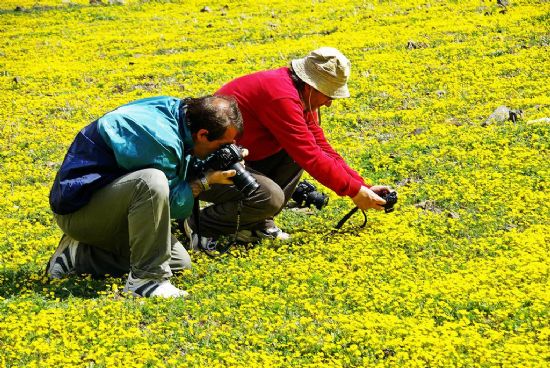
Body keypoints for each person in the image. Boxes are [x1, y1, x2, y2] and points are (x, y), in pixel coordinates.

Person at [185, 47, 395, 245]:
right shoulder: (281, 96)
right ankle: (195, 225)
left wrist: (361, 186)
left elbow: (320, 146)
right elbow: (310, 155)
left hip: (242, 157)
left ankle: (257, 223)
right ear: (312, 85)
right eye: (329, 95)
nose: (330, 103)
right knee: (270, 197)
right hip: (206, 165)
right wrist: (353, 192)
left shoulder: (302, 95)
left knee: (293, 155)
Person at [46, 95, 243, 298]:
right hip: (79, 211)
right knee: (151, 181)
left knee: (178, 263)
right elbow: (173, 205)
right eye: (221, 145)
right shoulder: (160, 138)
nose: (223, 150)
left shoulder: (176, 112)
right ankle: (145, 281)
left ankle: (76, 255)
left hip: (111, 203)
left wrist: (213, 162)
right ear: (203, 134)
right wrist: (204, 181)